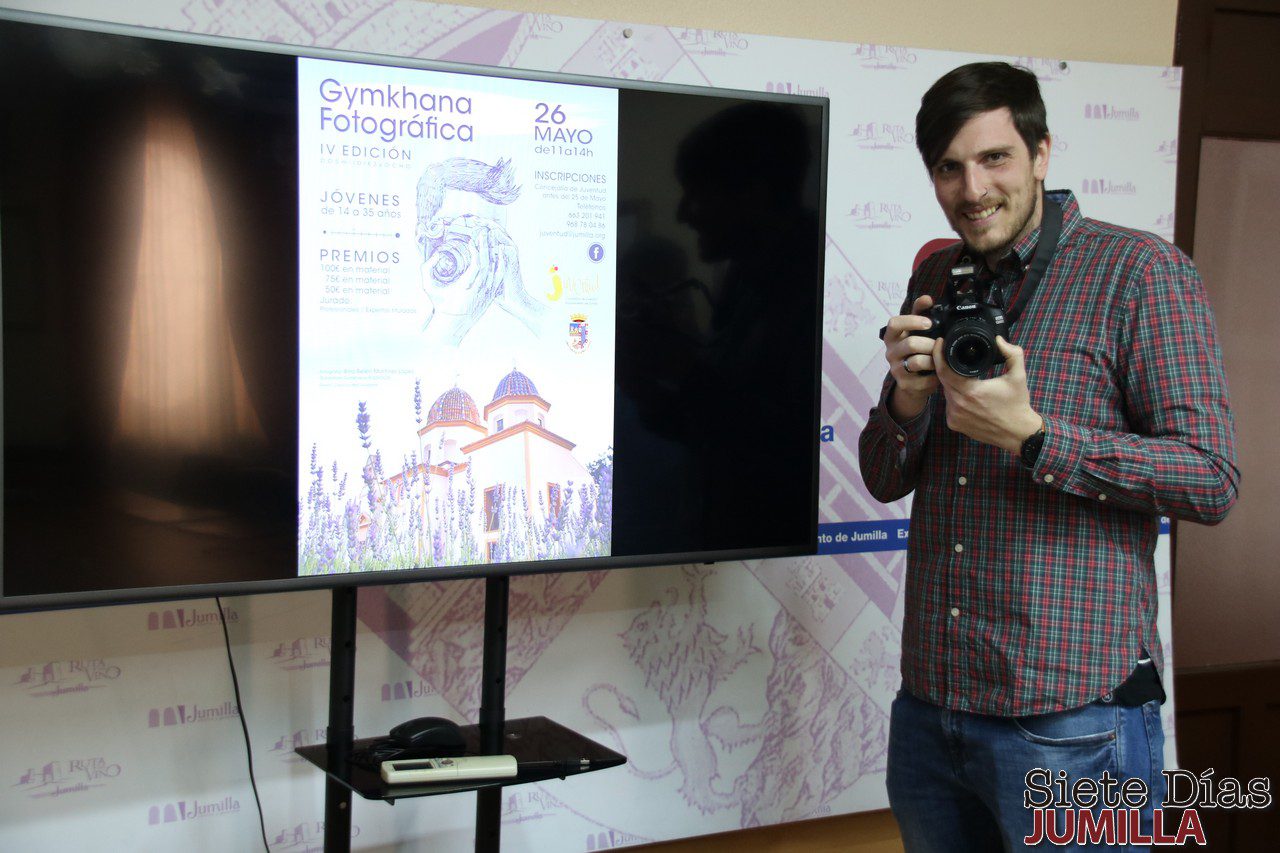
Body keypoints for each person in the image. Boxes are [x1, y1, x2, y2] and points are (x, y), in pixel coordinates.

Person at [858, 62, 1239, 850]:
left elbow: (1210, 477)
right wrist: (907, 402)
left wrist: (1035, 437)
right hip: (931, 709)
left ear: (1040, 152)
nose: (972, 189)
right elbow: (884, 476)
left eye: (994, 158)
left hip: (1073, 717)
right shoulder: (938, 274)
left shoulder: (1139, 272)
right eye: (949, 168)